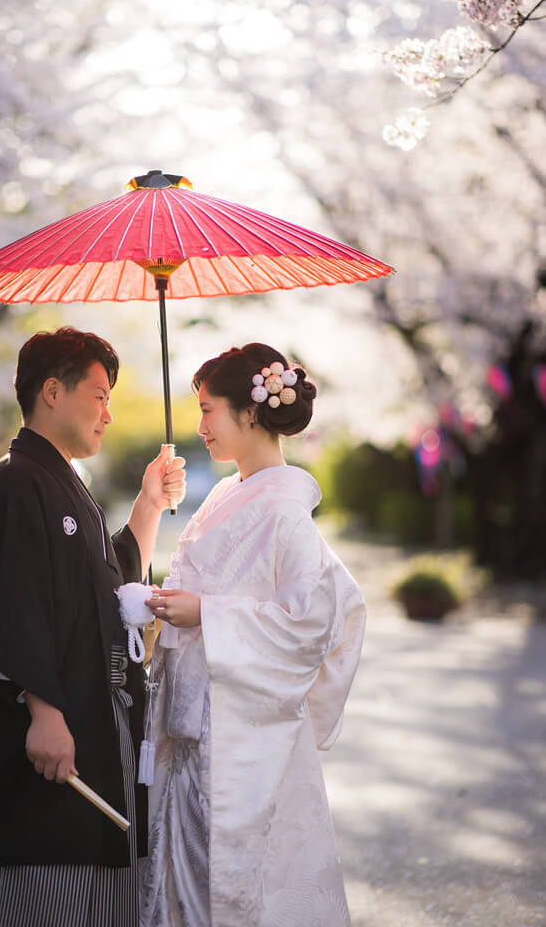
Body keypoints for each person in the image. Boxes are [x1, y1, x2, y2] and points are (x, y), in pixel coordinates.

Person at [0, 326, 186, 927]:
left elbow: (104, 586)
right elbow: (14, 610)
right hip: (46, 731)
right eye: (99, 395)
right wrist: (46, 715)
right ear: (52, 391)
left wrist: (150, 504)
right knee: (37, 885)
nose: (108, 412)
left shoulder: (60, 483)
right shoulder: (14, 483)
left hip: (86, 718)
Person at [139, 343, 366, 927]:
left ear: (251, 413)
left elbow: (310, 626)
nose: (200, 426)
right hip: (194, 727)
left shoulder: (286, 512)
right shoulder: (223, 495)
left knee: (239, 892)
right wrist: (163, 610)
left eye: (209, 410)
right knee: (184, 885)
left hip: (241, 740)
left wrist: (207, 615)